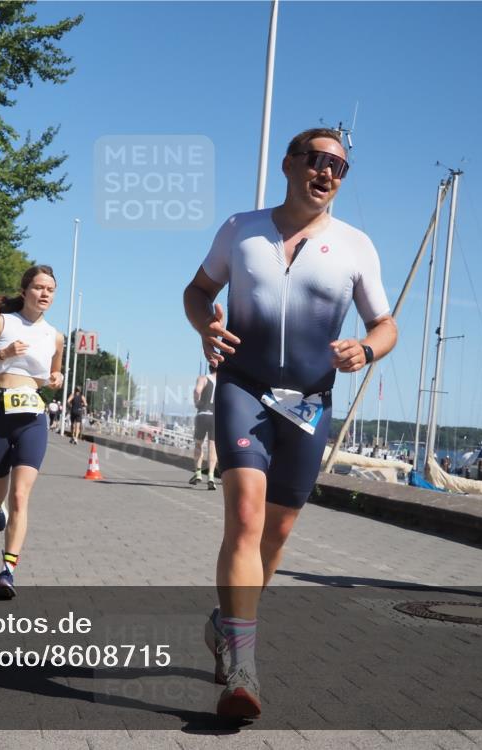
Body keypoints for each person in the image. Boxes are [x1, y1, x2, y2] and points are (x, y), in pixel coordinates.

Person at [183, 128, 397, 718]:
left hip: (309, 402)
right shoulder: (240, 228)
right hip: (243, 388)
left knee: (275, 536)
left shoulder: (356, 246)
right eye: (317, 160)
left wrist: (368, 350)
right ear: (289, 164)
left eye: (339, 167)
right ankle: (243, 672)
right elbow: (197, 291)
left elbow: (386, 324)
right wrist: (205, 325)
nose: (327, 173)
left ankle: (225, 623)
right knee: (246, 515)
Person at [0, 265, 64, 598]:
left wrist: (56, 380)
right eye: (38, 287)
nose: (45, 293)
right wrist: (2, 354)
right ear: (25, 291)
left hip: (32, 417)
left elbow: (54, 372)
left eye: (50, 289)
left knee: (20, 495)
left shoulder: (55, 336)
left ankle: (7, 571)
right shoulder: (2, 323)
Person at [190, 365, 219, 490]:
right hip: (215, 417)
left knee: (198, 445)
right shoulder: (222, 382)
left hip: (202, 414)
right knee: (212, 447)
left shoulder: (203, 378)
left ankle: (198, 473)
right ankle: (211, 477)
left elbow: (197, 391)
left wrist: (197, 403)